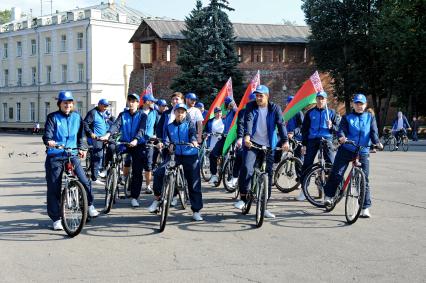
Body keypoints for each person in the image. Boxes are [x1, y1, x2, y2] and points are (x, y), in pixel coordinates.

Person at [43, 90, 99, 231]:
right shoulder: (53, 117)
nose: (67, 105)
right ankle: (56, 219)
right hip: (55, 155)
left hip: (72, 154)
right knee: (54, 188)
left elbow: (82, 136)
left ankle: (89, 204)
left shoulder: (77, 117)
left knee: (84, 180)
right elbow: (47, 134)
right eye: (65, 103)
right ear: (60, 104)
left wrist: (82, 148)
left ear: (73, 104)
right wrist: (49, 141)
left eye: (70, 102)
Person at [234, 85, 289, 219]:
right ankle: (243, 197)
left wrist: (285, 141)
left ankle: (265, 206)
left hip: (269, 145)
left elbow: (281, 124)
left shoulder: (275, 108)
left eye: (261, 95)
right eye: (257, 95)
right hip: (252, 143)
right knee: (247, 168)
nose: (258, 98)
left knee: (268, 175)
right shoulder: (251, 106)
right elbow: (248, 121)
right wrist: (246, 136)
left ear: (267, 96)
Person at [323, 94, 383, 218]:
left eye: (361, 104)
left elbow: (373, 132)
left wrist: (377, 142)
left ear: (365, 105)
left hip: (362, 151)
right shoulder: (347, 117)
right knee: (337, 173)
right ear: (353, 105)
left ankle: (365, 208)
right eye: (357, 103)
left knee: (364, 180)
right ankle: (328, 195)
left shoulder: (369, 117)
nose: (359, 106)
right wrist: (342, 137)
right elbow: (341, 129)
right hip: (347, 148)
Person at [148, 103, 204, 221]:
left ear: (185, 113)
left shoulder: (190, 124)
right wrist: (166, 144)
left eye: (182, 112)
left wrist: (194, 141)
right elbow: (166, 139)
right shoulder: (169, 127)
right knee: (159, 172)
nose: (180, 114)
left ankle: (196, 210)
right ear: (175, 113)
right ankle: (157, 199)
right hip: (176, 156)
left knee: (194, 183)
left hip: (190, 155)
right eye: (178, 111)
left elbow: (192, 134)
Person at [100, 93, 147, 207]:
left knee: (137, 171)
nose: (131, 103)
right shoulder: (123, 114)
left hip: (137, 144)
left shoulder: (142, 115)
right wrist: (108, 134)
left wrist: (136, 139)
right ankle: (111, 170)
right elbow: (116, 125)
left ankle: (135, 197)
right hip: (125, 142)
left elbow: (141, 129)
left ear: (137, 103)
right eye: (129, 101)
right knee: (111, 147)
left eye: (133, 101)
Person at [297, 91, 340, 201]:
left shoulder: (331, 112)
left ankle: (329, 194)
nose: (320, 101)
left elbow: (338, 130)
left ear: (326, 100)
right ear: (316, 100)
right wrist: (304, 145)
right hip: (312, 140)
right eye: (319, 98)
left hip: (327, 139)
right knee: (307, 164)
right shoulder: (310, 113)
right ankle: (303, 190)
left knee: (331, 164)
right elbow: (305, 130)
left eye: (322, 99)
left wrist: (331, 126)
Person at [226, 92, 256, 188]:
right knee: (239, 155)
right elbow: (241, 125)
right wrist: (239, 138)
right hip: (245, 138)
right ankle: (235, 177)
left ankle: (261, 187)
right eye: (253, 100)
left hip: (259, 139)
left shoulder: (264, 111)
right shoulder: (243, 112)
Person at [208, 97, 237, 184]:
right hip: (224, 138)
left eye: (226, 103)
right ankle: (214, 175)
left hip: (233, 138)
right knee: (213, 154)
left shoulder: (235, 111)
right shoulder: (228, 114)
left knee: (235, 157)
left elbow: (238, 117)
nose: (225, 105)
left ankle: (233, 177)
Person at [274, 95, 304, 173]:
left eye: (288, 103)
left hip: (296, 138)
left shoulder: (298, 113)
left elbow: (302, 126)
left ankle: (300, 178)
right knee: (277, 148)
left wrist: (293, 133)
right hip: (286, 137)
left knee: (298, 158)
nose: (287, 104)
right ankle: (275, 166)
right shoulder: (286, 113)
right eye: (287, 103)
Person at [83, 98, 110, 185]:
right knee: (98, 155)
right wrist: (91, 133)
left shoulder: (103, 113)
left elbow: (106, 124)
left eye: (107, 106)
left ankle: (100, 171)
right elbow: (85, 123)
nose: (106, 108)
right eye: (104, 106)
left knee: (105, 154)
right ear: (99, 104)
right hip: (96, 138)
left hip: (103, 138)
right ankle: (94, 177)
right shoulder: (93, 113)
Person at [140, 93, 160, 194]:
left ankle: (148, 186)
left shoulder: (154, 113)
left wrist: (156, 137)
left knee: (148, 165)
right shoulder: (138, 112)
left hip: (150, 141)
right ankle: (128, 181)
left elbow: (158, 126)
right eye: (152, 101)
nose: (153, 103)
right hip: (137, 141)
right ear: (147, 102)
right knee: (132, 163)